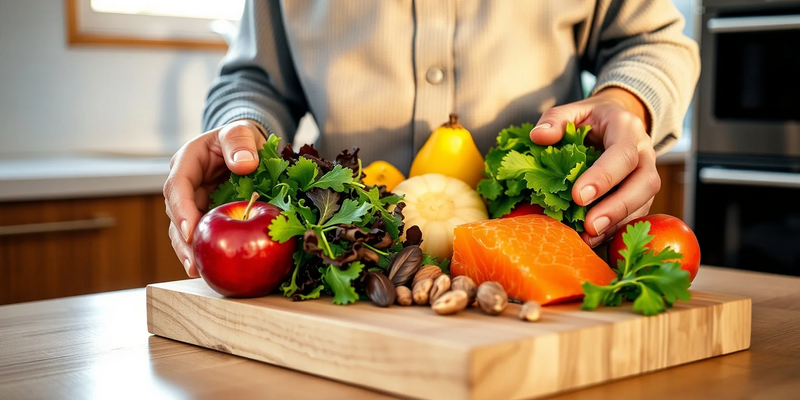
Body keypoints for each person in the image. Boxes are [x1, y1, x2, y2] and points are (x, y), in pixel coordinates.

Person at [164, 0, 700, 277]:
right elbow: (256, 78)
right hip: (349, 258)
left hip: (545, 248)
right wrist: (241, 123)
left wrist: (625, 102)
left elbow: (653, 41)